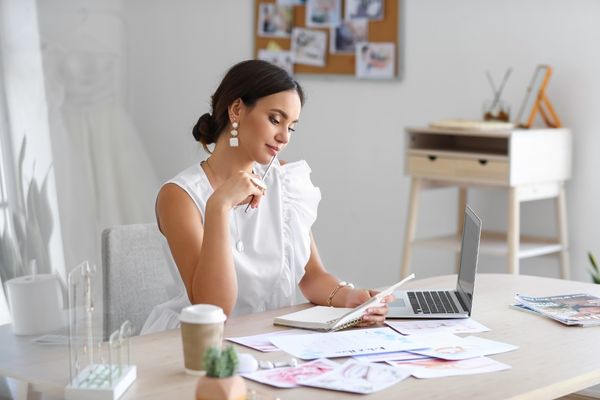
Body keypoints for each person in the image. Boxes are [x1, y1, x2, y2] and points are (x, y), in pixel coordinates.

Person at [147, 60, 390, 333]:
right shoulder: (179, 196)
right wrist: (219, 206)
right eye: (275, 119)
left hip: (271, 337)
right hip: (198, 343)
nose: (284, 136)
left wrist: (350, 297)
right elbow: (213, 308)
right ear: (237, 109)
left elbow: (313, 276)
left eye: (292, 126)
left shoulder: (285, 182)